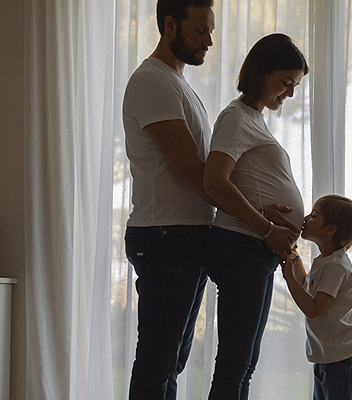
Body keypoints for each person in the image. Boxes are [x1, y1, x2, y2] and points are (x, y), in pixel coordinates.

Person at [202, 33, 308, 399]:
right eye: (285, 83)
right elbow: (214, 181)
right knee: (235, 363)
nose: (289, 94)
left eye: (294, 86)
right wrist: (266, 228)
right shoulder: (236, 117)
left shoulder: (254, 120)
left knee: (244, 364)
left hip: (255, 249)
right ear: (261, 72)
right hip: (241, 246)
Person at [121, 1, 217, 398]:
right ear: (170, 25)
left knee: (171, 360)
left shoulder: (178, 84)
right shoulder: (153, 82)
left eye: (210, 31)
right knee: (159, 361)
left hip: (184, 236)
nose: (209, 41)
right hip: (165, 237)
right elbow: (192, 171)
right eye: (199, 31)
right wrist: (255, 218)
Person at [280, 195, 352, 400]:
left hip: (342, 353)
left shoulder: (336, 266)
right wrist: (295, 261)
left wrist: (287, 278)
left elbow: (313, 309)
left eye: (314, 215)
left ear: (330, 229)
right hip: (329, 351)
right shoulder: (325, 261)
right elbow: (306, 286)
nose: (305, 218)